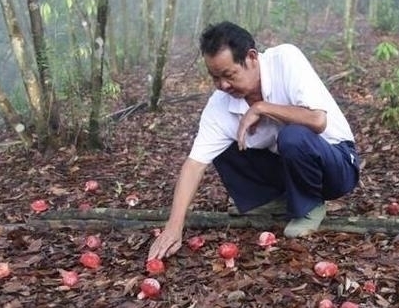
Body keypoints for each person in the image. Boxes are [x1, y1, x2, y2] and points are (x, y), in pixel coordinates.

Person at [148, 21, 360, 260]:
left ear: (251, 57)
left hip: (337, 164)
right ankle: (278, 200)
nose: (223, 85)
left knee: (293, 135)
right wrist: (174, 226)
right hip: (290, 169)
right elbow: (195, 164)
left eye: (229, 75)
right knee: (225, 146)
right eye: (215, 77)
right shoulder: (219, 105)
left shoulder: (285, 60)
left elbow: (317, 120)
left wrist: (262, 107)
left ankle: (310, 205)